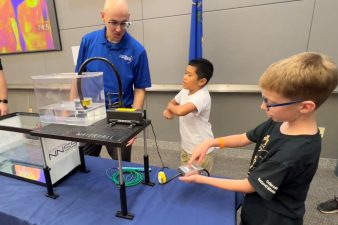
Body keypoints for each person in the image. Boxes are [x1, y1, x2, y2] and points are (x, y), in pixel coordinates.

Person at [179, 52, 338, 225]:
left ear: (305, 107)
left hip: (273, 219)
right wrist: (211, 142)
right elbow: (245, 137)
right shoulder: (280, 121)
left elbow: (248, 185)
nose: (263, 106)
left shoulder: (295, 152)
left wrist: (199, 178)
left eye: (269, 102)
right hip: (256, 205)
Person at [75, 0, 151, 161]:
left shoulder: (137, 50)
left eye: (124, 23)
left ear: (129, 18)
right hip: (91, 113)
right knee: (85, 162)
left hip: (121, 116)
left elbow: (140, 88)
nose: (118, 29)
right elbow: (78, 77)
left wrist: (134, 123)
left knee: (121, 168)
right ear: (103, 17)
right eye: (113, 22)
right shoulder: (88, 41)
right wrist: (72, 112)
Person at [163, 58, 214, 172]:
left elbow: (181, 111)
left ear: (201, 81)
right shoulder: (185, 90)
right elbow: (173, 102)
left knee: (198, 182)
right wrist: (170, 110)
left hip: (201, 150)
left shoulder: (202, 96)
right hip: (187, 146)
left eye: (189, 75)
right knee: (186, 177)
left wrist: (171, 108)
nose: (185, 77)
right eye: (185, 73)